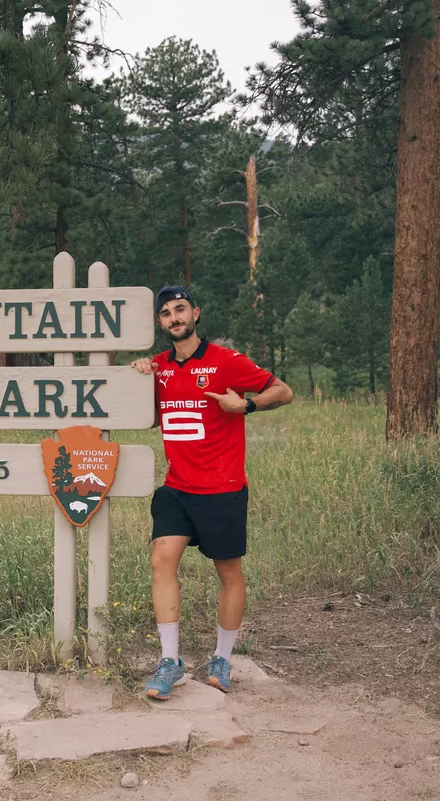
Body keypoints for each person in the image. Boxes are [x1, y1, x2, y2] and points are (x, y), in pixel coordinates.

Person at [131, 285, 294, 700]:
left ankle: (222, 657)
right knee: (161, 560)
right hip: (177, 487)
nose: (174, 318)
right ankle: (170, 660)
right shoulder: (160, 366)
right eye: (166, 313)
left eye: (180, 309)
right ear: (160, 322)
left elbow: (283, 391)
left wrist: (247, 406)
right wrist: (137, 375)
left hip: (222, 488)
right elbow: (151, 418)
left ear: (196, 313)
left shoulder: (226, 361)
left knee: (228, 573)